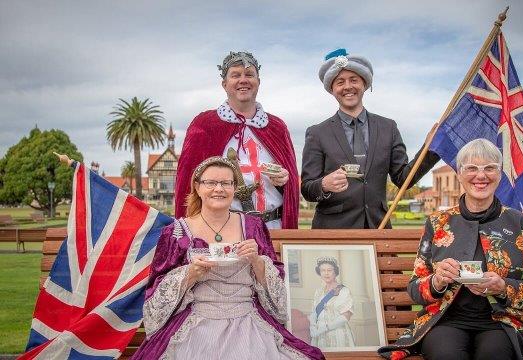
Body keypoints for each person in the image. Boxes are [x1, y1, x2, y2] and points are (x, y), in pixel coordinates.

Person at [133, 157, 323, 359]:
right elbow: (155, 296)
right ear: (197, 187)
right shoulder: (177, 231)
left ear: (234, 188)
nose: (219, 189)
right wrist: (189, 274)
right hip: (196, 326)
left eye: (226, 183)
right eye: (211, 183)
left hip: (249, 323)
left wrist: (257, 261)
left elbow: (277, 295)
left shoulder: (253, 227)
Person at [378, 139, 523, 360]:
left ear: (499, 174)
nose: (481, 176)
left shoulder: (521, 224)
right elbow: (414, 289)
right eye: (471, 168)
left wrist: (502, 287)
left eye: (489, 168)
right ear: (459, 174)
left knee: (493, 355)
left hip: (502, 322)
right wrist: (437, 281)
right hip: (445, 320)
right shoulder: (438, 222)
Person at [301, 48, 440, 229]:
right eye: (340, 82)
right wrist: (324, 185)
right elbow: (307, 189)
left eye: (354, 80)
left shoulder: (388, 128)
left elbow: (403, 179)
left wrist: (429, 149)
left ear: (365, 84)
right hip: (332, 231)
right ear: (332, 89)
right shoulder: (317, 133)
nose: (347, 86)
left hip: (378, 227)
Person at [175, 51, 299, 229]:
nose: (243, 80)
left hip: (273, 227)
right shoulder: (205, 124)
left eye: (249, 75)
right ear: (225, 84)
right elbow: (187, 183)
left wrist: (284, 180)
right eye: (235, 75)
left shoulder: (276, 127)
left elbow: (292, 183)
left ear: (258, 82)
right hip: (222, 228)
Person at [308, 257, 355, 348]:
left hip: (337, 333)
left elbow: (346, 317)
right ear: (319, 272)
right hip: (320, 336)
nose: (326, 273)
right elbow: (314, 312)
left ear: (335, 272)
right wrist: (313, 326)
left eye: (329, 270)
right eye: (323, 270)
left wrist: (324, 328)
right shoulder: (318, 291)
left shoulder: (344, 291)